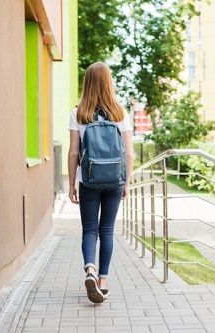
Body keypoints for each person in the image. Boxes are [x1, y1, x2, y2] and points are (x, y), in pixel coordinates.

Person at [67, 62, 133, 304]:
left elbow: (74, 153)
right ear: (109, 83)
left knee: (89, 230)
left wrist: (72, 183)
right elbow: (128, 153)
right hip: (114, 179)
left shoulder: (78, 113)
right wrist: (126, 181)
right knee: (107, 230)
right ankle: (103, 282)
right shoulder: (120, 112)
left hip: (90, 180)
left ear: (87, 83)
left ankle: (90, 270)